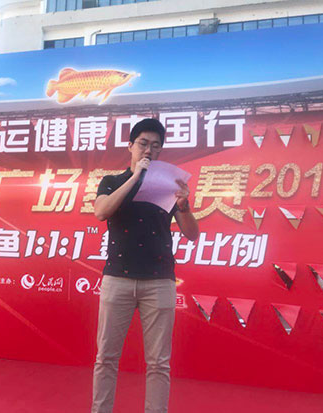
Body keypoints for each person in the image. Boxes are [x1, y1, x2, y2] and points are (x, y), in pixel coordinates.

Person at [91, 118, 199, 413]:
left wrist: (184, 206)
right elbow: (101, 212)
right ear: (130, 145)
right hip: (118, 279)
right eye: (143, 144)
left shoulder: (169, 185)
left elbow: (192, 234)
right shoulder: (112, 181)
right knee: (106, 357)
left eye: (155, 146)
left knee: (158, 362)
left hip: (159, 281)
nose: (149, 150)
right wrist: (136, 177)